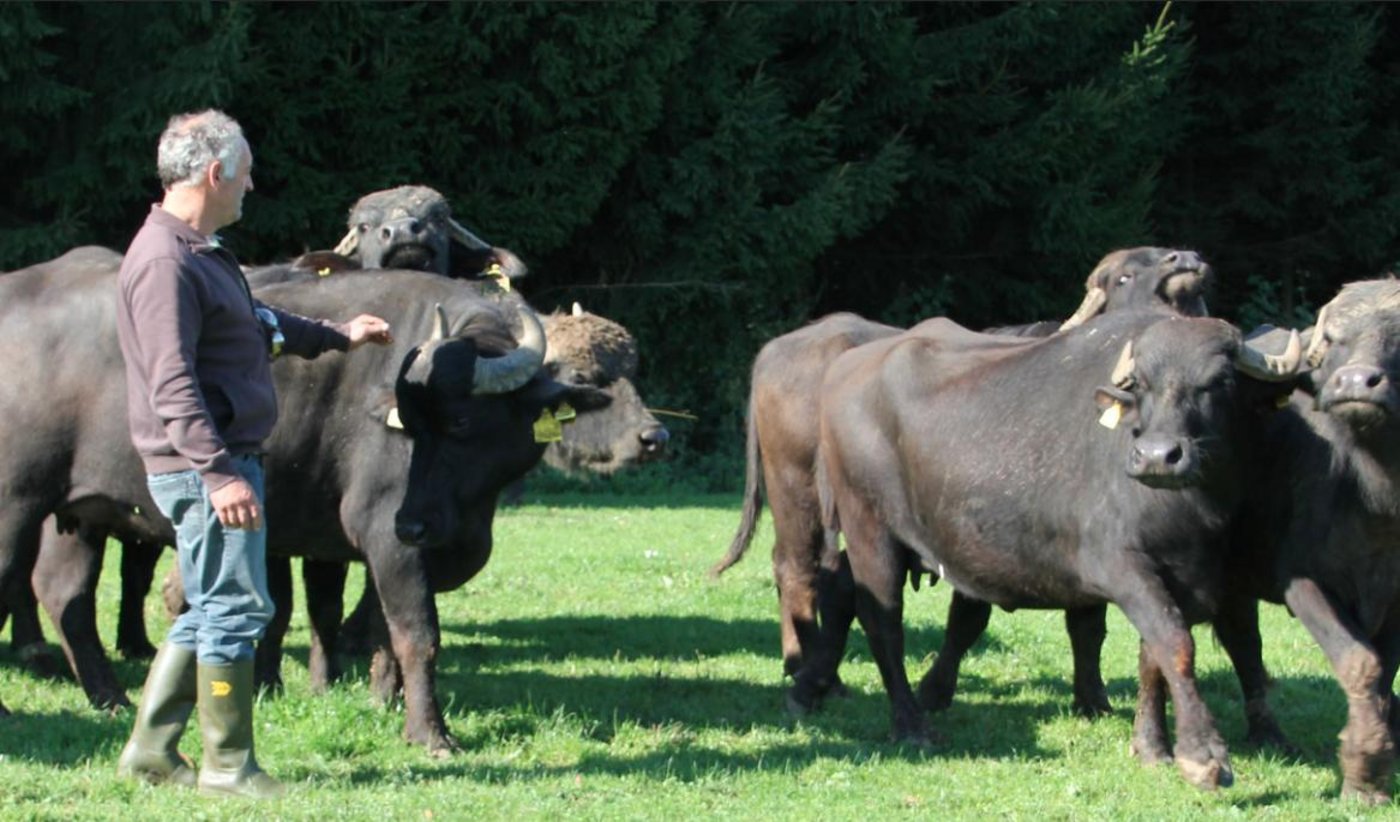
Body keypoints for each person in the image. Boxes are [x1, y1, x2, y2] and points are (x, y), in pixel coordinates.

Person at [113, 109, 393, 799]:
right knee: (235, 608)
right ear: (215, 172)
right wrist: (216, 475)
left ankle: (150, 752)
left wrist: (338, 334)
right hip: (207, 465)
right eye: (246, 171)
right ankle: (228, 767)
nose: (252, 184)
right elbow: (171, 383)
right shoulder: (163, 263)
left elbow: (260, 325)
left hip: (222, 460)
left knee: (212, 606)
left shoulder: (200, 251)